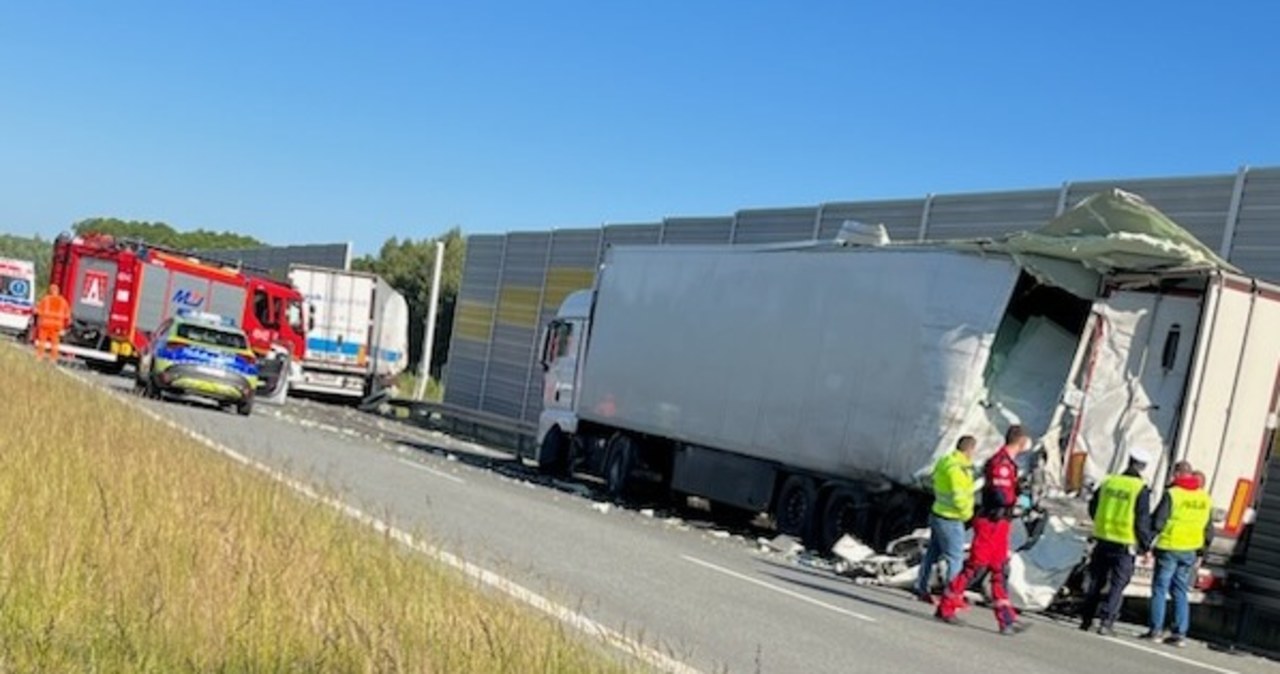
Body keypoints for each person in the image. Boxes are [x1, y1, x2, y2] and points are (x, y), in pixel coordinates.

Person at [935, 425, 1030, 635]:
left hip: (1001, 523)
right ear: (1021, 442)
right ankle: (946, 606)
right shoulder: (1001, 463)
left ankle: (1006, 619)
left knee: (999, 569)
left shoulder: (1008, 463)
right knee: (975, 566)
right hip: (992, 522)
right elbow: (1000, 495)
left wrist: (1019, 489)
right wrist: (1016, 498)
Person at [1079, 447, 1155, 636]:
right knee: (1117, 584)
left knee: (1096, 580)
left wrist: (1101, 522)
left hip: (1103, 538)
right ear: (1143, 466)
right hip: (1125, 543)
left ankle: (1086, 619)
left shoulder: (1109, 481)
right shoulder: (1140, 489)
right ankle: (1106, 622)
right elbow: (1142, 520)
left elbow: (1093, 506)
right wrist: (1146, 545)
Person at [1142, 461, 1214, 647]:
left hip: (1170, 547)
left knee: (1160, 587)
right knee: (1180, 590)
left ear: (1177, 474)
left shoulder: (1173, 494)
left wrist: (1147, 544)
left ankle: (1156, 629)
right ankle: (1180, 633)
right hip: (1190, 550)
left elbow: (1158, 522)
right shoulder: (1204, 498)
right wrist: (1202, 551)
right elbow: (1208, 528)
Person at [914, 435, 977, 603]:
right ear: (970, 450)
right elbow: (958, 497)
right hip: (952, 517)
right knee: (955, 558)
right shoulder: (958, 469)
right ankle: (952, 595)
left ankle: (921, 587)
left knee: (932, 554)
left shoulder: (946, 461)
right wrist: (967, 515)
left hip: (938, 513)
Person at [33, 284, 71, 362]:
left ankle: (39, 357)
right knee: (55, 343)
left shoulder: (45, 299)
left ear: (50, 291)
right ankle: (53, 359)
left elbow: (38, 311)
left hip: (45, 324)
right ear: (58, 291)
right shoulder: (63, 301)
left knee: (42, 341)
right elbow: (67, 316)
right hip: (56, 326)